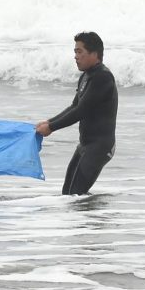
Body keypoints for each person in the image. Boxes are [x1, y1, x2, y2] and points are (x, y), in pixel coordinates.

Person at [35, 31, 118, 195]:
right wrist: (48, 122)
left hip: (99, 146)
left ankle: (97, 218)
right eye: (75, 52)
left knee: (75, 195)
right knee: (68, 194)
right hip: (86, 145)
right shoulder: (87, 76)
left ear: (94, 54)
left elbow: (81, 111)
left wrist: (51, 127)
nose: (76, 56)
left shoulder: (103, 77)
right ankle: (90, 218)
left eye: (80, 52)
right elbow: (74, 106)